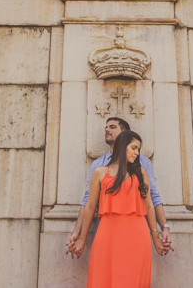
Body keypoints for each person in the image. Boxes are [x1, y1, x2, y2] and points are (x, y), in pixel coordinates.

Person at [71, 130, 166, 287]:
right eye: (134, 148)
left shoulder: (141, 172)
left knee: (133, 280)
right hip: (107, 235)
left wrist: (156, 238)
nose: (137, 153)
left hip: (137, 235)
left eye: (138, 149)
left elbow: (149, 205)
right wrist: (81, 238)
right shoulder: (100, 172)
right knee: (104, 279)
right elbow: (89, 207)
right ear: (122, 147)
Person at [66, 117, 173, 254]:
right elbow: (89, 202)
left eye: (112, 127)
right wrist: (78, 234)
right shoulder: (98, 165)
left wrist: (163, 228)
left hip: (137, 230)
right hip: (107, 230)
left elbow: (152, 198)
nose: (106, 129)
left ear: (124, 134)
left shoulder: (143, 164)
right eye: (106, 127)